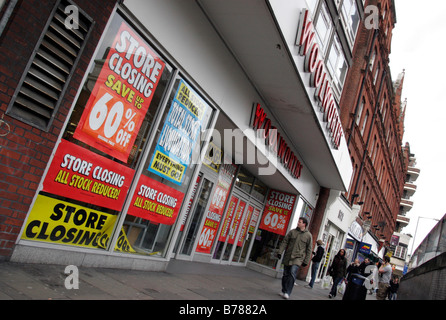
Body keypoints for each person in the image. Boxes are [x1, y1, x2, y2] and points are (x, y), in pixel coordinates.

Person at [277, 217, 313, 299]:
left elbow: (309, 249)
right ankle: (284, 290)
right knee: (285, 274)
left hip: (298, 258)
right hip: (288, 256)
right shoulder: (292, 232)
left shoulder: (308, 235)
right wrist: (280, 252)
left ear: (304, 224)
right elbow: (285, 242)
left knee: (292, 273)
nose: (298, 223)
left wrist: (306, 261)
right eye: (298, 221)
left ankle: (288, 292)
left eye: (300, 222)